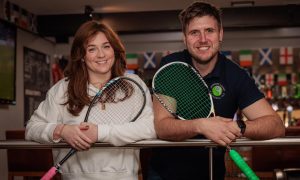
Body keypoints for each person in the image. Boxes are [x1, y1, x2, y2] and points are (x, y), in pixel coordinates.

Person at [147, 2, 285, 180]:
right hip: (163, 175)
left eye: (209, 31)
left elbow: (276, 125)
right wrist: (201, 125)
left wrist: (237, 127)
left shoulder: (236, 75)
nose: (203, 39)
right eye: (194, 32)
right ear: (184, 38)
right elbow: (163, 127)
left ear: (220, 34)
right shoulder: (171, 67)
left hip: (212, 174)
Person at [25, 20, 156, 180]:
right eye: (92, 49)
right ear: (81, 55)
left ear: (114, 50)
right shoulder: (62, 89)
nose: (101, 54)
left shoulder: (134, 86)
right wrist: (62, 130)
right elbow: (32, 129)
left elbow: (150, 129)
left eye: (106, 46)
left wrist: (100, 133)